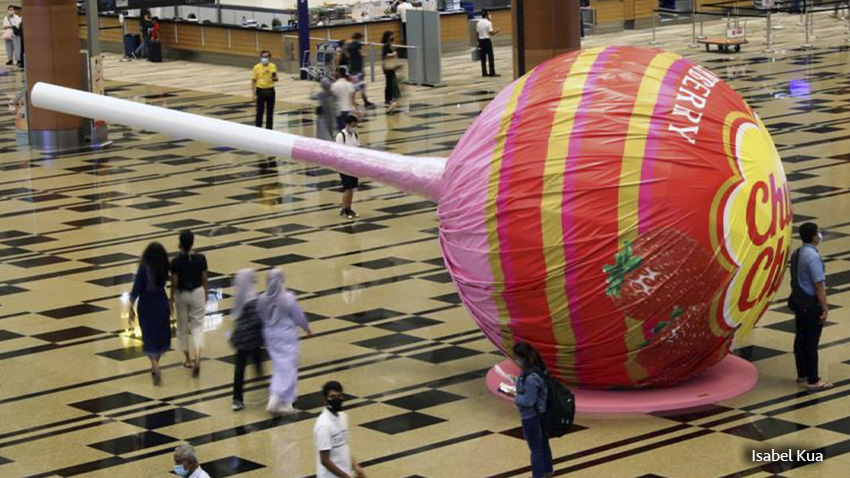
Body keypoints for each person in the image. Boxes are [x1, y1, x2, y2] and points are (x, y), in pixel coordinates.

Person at [258, 268, 311, 414]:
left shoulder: (262, 298)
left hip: (270, 336)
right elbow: (298, 316)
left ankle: (277, 398)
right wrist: (306, 327)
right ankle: (283, 400)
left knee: (279, 367)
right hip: (286, 336)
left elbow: (261, 317)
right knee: (289, 367)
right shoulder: (288, 298)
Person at [790, 222, 832, 391]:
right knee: (811, 342)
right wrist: (825, 307)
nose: (820, 234)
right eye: (818, 232)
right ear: (814, 237)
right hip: (810, 303)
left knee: (800, 339)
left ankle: (802, 375)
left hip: (798, 301)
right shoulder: (813, 257)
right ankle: (813, 380)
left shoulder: (797, 253)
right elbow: (818, 285)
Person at [506, 342, 553, 478]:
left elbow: (527, 401)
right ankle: (548, 469)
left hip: (531, 417)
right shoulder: (538, 370)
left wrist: (514, 395)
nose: (515, 361)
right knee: (543, 443)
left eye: (516, 358)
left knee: (535, 448)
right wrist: (518, 383)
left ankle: (538, 475)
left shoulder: (530, 377)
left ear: (523, 358)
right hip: (541, 414)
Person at [129, 242, 171, 386]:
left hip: (146, 305)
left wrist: (130, 305)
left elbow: (136, 288)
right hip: (161, 303)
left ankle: (154, 364)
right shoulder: (164, 266)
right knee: (160, 336)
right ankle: (156, 364)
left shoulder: (144, 267)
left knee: (148, 337)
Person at [170, 230, 208, 377]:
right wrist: (206, 292)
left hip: (181, 294)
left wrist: (171, 299)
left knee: (183, 327)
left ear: (180, 243)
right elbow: (205, 278)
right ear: (192, 242)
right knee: (197, 326)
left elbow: (174, 282)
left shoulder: (176, 261)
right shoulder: (201, 258)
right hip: (198, 292)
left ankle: (188, 360)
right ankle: (198, 357)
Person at [314, 381, 366, 478]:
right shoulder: (323, 426)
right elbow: (325, 460)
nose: (336, 399)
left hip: (345, 473)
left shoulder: (343, 417)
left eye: (339, 396)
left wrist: (355, 466)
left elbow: (344, 445)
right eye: (332, 396)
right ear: (325, 399)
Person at [230, 269, 264, 411]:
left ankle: (237, 399)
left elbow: (235, 316)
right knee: (257, 366)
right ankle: (264, 390)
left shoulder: (240, 297)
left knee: (239, 369)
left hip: (242, 341)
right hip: (254, 340)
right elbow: (259, 320)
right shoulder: (255, 299)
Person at [336, 115, 361, 220]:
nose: (354, 127)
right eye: (352, 125)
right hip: (344, 166)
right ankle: (344, 209)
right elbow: (338, 152)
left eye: (355, 126)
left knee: (352, 188)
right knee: (348, 188)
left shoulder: (355, 134)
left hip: (354, 165)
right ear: (347, 124)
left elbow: (358, 148)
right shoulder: (341, 136)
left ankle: (349, 208)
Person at [345, 33, 376, 109]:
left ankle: (356, 100)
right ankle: (364, 102)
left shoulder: (349, 45)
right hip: (358, 69)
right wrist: (367, 49)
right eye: (362, 38)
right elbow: (362, 51)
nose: (362, 40)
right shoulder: (358, 44)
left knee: (356, 86)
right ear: (359, 38)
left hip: (352, 68)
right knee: (360, 86)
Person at [252, 50, 278, 130]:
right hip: (260, 90)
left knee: (270, 112)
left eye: (266, 57)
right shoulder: (256, 67)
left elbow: (275, 78)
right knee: (260, 111)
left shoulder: (273, 66)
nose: (264, 58)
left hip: (270, 90)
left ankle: (269, 129)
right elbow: (254, 81)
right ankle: (258, 128)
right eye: (263, 57)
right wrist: (254, 94)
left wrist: (275, 78)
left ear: (269, 57)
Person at [381, 30, 402, 112]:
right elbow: (385, 55)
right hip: (388, 67)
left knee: (390, 83)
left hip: (390, 67)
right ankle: (390, 98)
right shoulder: (386, 45)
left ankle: (389, 98)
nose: (393, 37)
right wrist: (394, 54)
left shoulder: (389, 45)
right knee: (391, 82)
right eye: (391, 35)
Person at [331, 67, 356, 132]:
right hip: (349, 110)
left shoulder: (334, 85)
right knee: (349, 130)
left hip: (339, 110)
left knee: (341, 130)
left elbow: (332, 98)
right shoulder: (350, 84)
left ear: (338, 73)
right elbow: (353, 99)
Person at [477, 9, 500, 77]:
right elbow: (491, 32)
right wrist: (496, 31)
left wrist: (478, 41)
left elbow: (477, 33)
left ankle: (484, 72)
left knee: (483, 57)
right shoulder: (488, 23)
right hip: (487, 40)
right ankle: (492, 72)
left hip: (481, 40)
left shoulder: (478, 23)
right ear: (487, 15)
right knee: (490, 56)